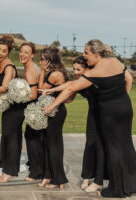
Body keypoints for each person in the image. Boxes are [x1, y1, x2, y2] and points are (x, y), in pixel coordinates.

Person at [42, 39, 136, 198]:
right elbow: (128, 79)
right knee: (126, 145)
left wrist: (52, 106)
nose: (83, 55)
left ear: (95, 54)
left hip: (109, 113)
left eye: (86, 53)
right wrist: (122, 98)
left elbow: (72, 87)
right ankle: (134, 182)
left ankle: (116, 189)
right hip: (125, 108)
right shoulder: (115, 61)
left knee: (113, 148)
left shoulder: (93, 72)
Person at [41, 56, 106, 192]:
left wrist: (53, 103)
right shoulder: (79, 80)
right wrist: (54, 92)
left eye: (78, 69)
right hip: (93, 113)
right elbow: (69, 89)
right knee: (90, 143)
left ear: (87, 68)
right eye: (74, 69)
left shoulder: (95, 77)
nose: (75, 72)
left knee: (101, 145)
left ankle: (99, 180)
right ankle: (87, 177)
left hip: (106, 113)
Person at [0, 35, 22, 183]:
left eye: (4, 51)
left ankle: (9, 172)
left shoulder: (8, 66)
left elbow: (4, 87)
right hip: (8, 107)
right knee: (7, 137)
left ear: (9, 52)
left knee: (12, 138)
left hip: (16, 107)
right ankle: (6, 167)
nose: (0, 53)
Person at [36, 46, 69, 189]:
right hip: (50, 111)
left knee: (54, 146)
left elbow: (41, 90)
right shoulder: (55, 72)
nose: (40, 62)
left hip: (56, 112)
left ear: (49, 61)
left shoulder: (55, 74)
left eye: (42, 59)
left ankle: (59, 179)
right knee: (48, 144)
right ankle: (48, 176)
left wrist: (42, 71)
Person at [18, 42, 41, 183]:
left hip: (34, 107)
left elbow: (32, 95)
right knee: (34, 137)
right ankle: (35, 164)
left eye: (26, 52)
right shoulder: (32, 67)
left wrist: (17, 96)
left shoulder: (29, 71)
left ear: (32, 55)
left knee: (32, 138)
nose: (22, 54)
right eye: (21, 51)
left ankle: (36, 171)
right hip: (35, 107)